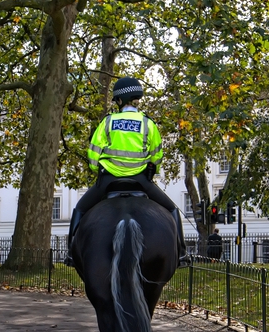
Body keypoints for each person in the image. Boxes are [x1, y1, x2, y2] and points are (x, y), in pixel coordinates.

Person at [63, 76, 184, 267]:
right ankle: (182, 253)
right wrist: (152, 170)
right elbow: (157, 156)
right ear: (137, 98)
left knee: (79, 209)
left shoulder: (108, 122)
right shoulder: (148, 124)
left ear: (119, 100)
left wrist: (97, 168)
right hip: (140, 181)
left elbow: (93, 154)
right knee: (172, 209)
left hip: (109, 180)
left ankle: (71, 253)